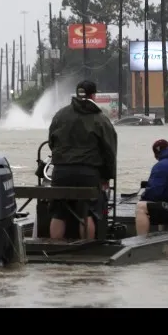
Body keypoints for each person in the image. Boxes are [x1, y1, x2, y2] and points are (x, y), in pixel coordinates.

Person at [47, 80, 117, 240]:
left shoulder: (60, 115)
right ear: (94, 95)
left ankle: (54, 246)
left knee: (58, 212)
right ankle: (86, 248)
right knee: (88, 212)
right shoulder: (100, 119)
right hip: (88, 173)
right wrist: (107, 176)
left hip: (61, 172)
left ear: (77, 93)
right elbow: (109, 151)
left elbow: (51, 142)